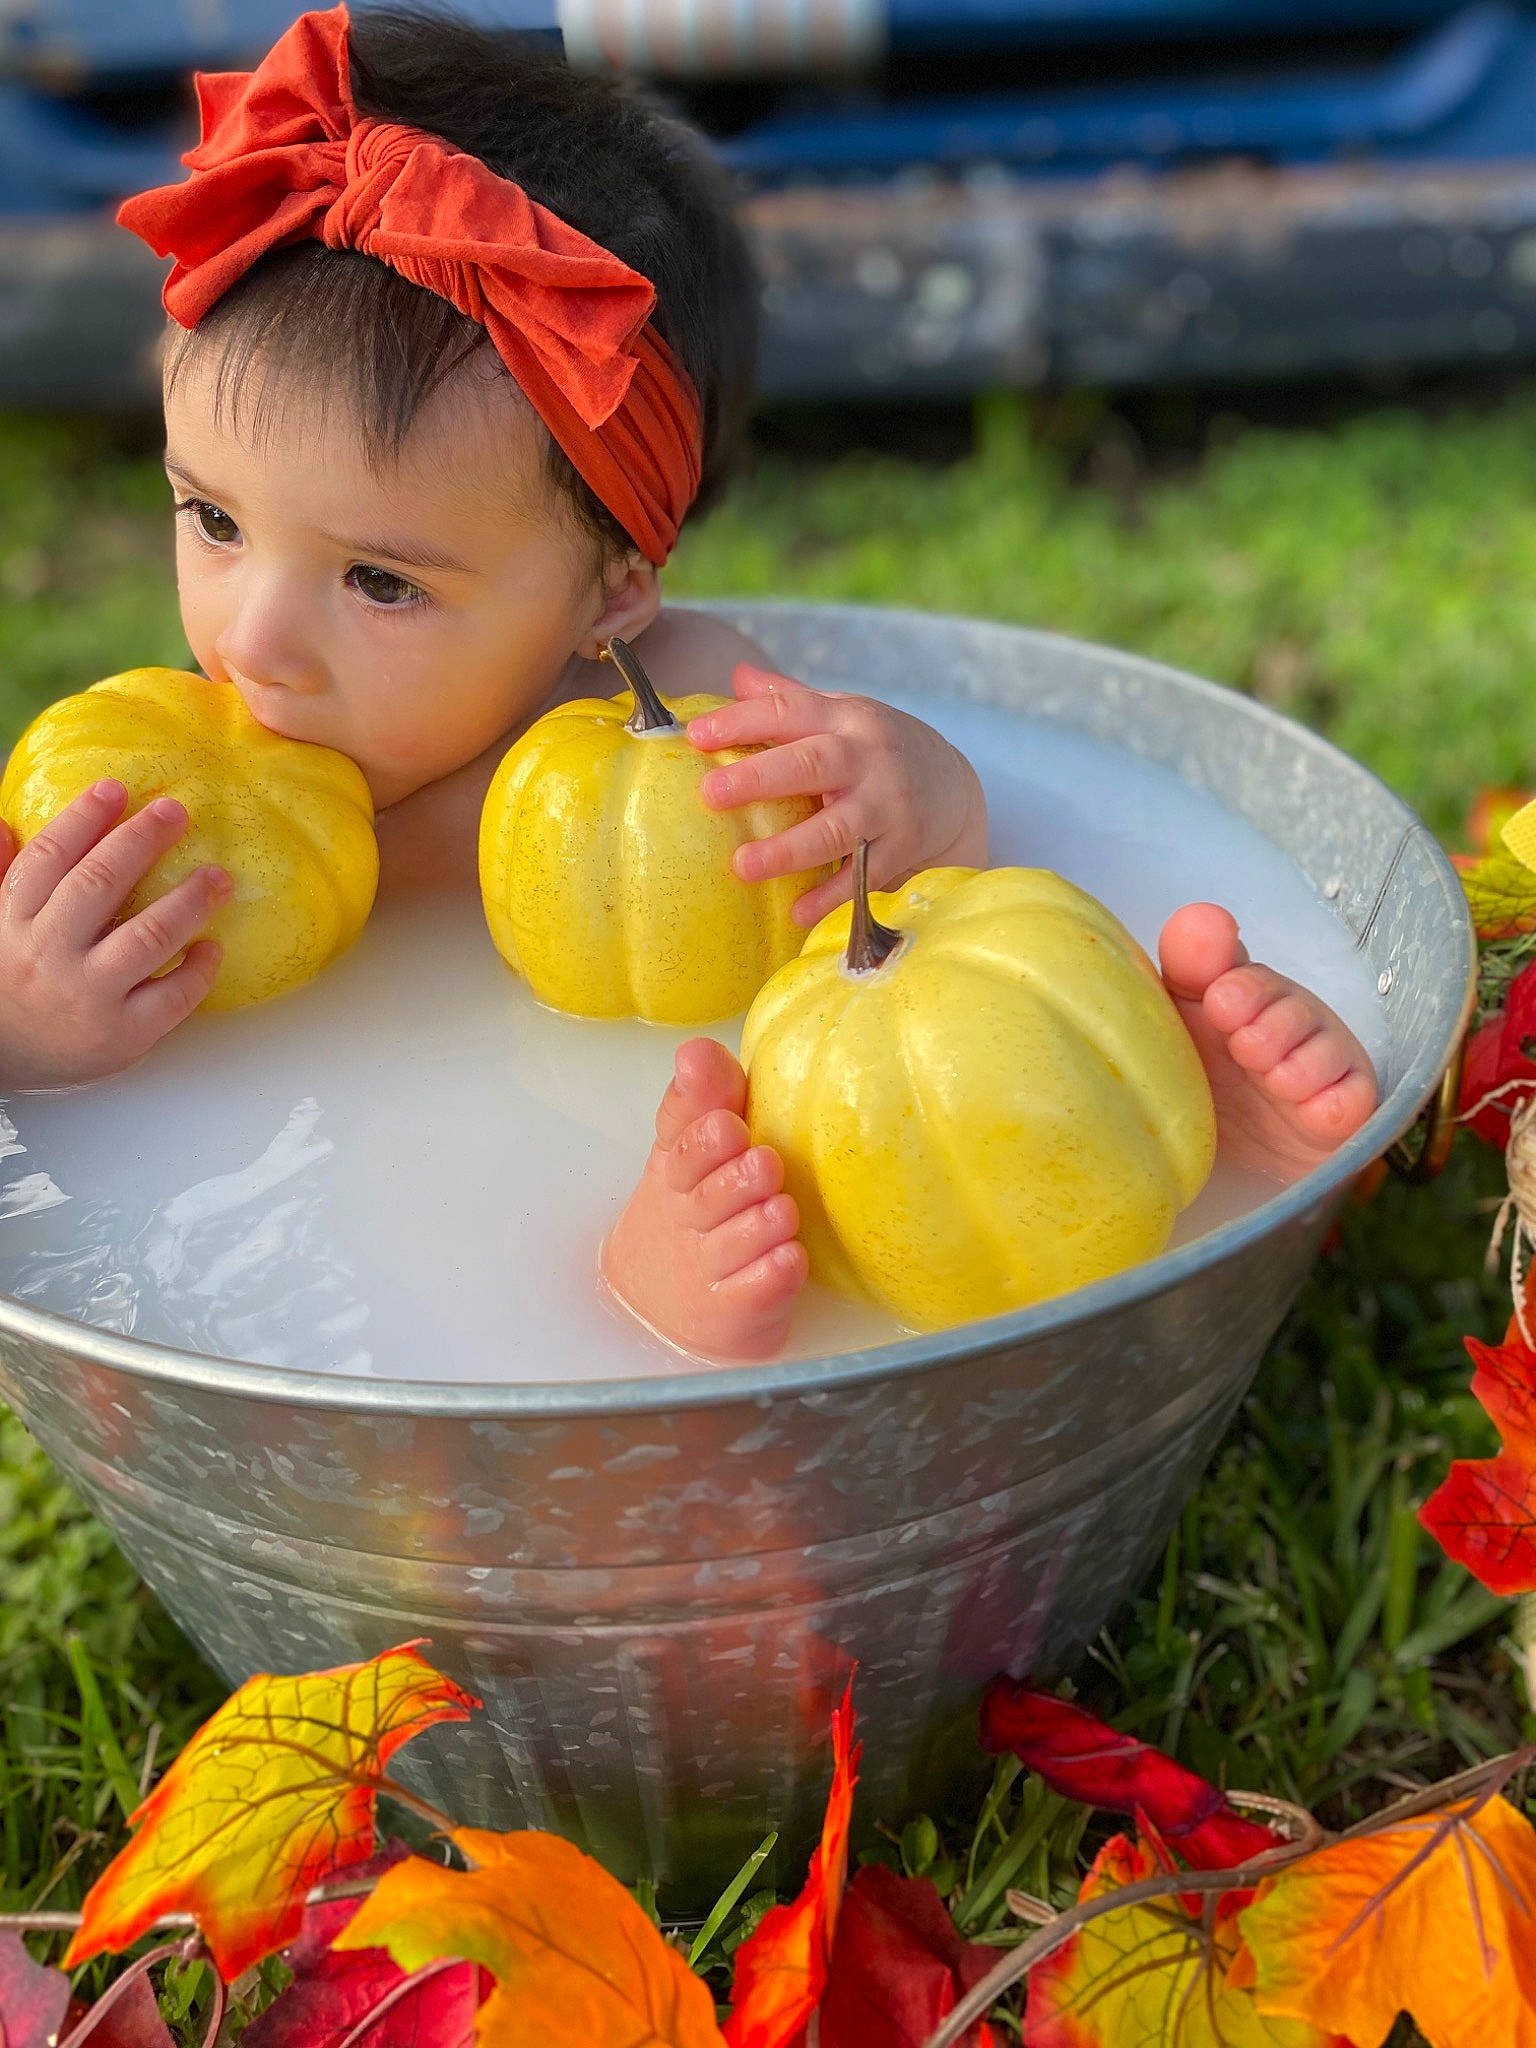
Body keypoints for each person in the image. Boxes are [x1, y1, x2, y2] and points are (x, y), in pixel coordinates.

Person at [0, 5, 1378, 1362]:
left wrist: (907, 783)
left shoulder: (683, 717)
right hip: (349, 1237)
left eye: (381, 581)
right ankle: (625, 1298)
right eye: (214, 520)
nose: (253, 642)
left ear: (608, 597)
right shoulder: (139, 811)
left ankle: (1164, 1107)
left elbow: (909, 886)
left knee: (857, 1069)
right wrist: (26, 1033)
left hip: (656, 1123)